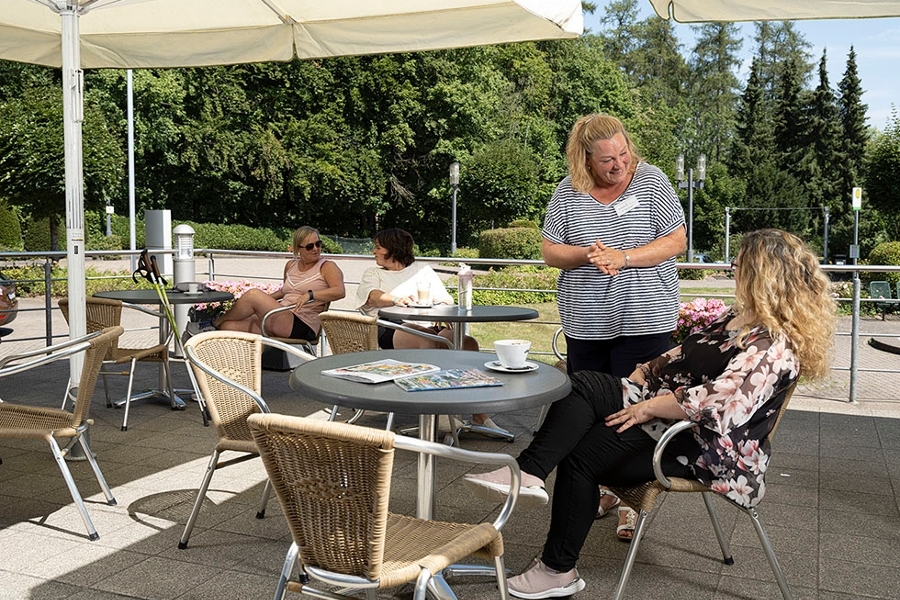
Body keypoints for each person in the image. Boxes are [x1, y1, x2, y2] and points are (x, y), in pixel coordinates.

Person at [463, 229, 835, 599]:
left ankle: (557, 570)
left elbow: (721, 402)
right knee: (582, 383)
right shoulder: (740, 316)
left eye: (738, 264)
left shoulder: (774, 345)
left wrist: (648, 407)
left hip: (700, 443)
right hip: (665, 412)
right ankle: (529, 471)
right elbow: (687, 350)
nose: (732, 269)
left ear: (762, 274)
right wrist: (647, 369)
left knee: (581, 454)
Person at [541, 112, 687, 537]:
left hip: (646, 319)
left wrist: (623, 257)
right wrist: (588, 254)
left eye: (623, 154)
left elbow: (676, 240)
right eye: (607, 159)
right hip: (586, 322)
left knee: (639, 410)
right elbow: (551, 251)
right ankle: (602, 489)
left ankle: (631, 501)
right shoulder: (568, 191)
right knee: (589, 411)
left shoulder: (651, 180)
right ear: (585, 159)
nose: (619, 164)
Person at [357, 228, 504, 433]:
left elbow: (445, 299)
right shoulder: (374, 273)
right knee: (427, 339)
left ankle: (478, 412)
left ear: (392, 249)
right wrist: (397, 299)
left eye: (378, 247)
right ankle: (438, 412)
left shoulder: (422, 271)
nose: (374, 251)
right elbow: (373, 297)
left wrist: (439, 309)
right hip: (390, 326)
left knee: (467, 343)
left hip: (428, 325)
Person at [186, 226, 345, 340]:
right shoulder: (291, 265)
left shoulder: (327, 266)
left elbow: (340, 291)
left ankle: (213, 322)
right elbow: (284, 291)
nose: (316, 249)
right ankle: (240, 369)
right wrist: (259, 303)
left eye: (318, 244)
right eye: (310, 246)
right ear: (298, 249)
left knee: (253, 295)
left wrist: (310, 295)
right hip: (281, 316)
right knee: (229, 326)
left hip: (302, 324)